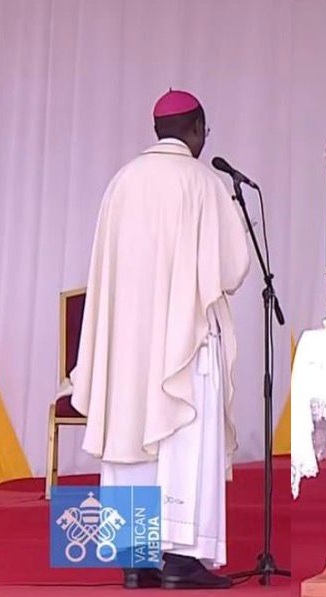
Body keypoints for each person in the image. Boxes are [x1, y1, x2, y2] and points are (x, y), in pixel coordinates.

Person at [69, 89, 251, 590]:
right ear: (196, 129)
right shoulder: (203, 181)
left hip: (128, 343)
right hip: (183, 343)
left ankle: (134, 558)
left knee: (132, 433)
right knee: (181, 435)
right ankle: (180, 559)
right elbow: (232, 268)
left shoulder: (122, 183)